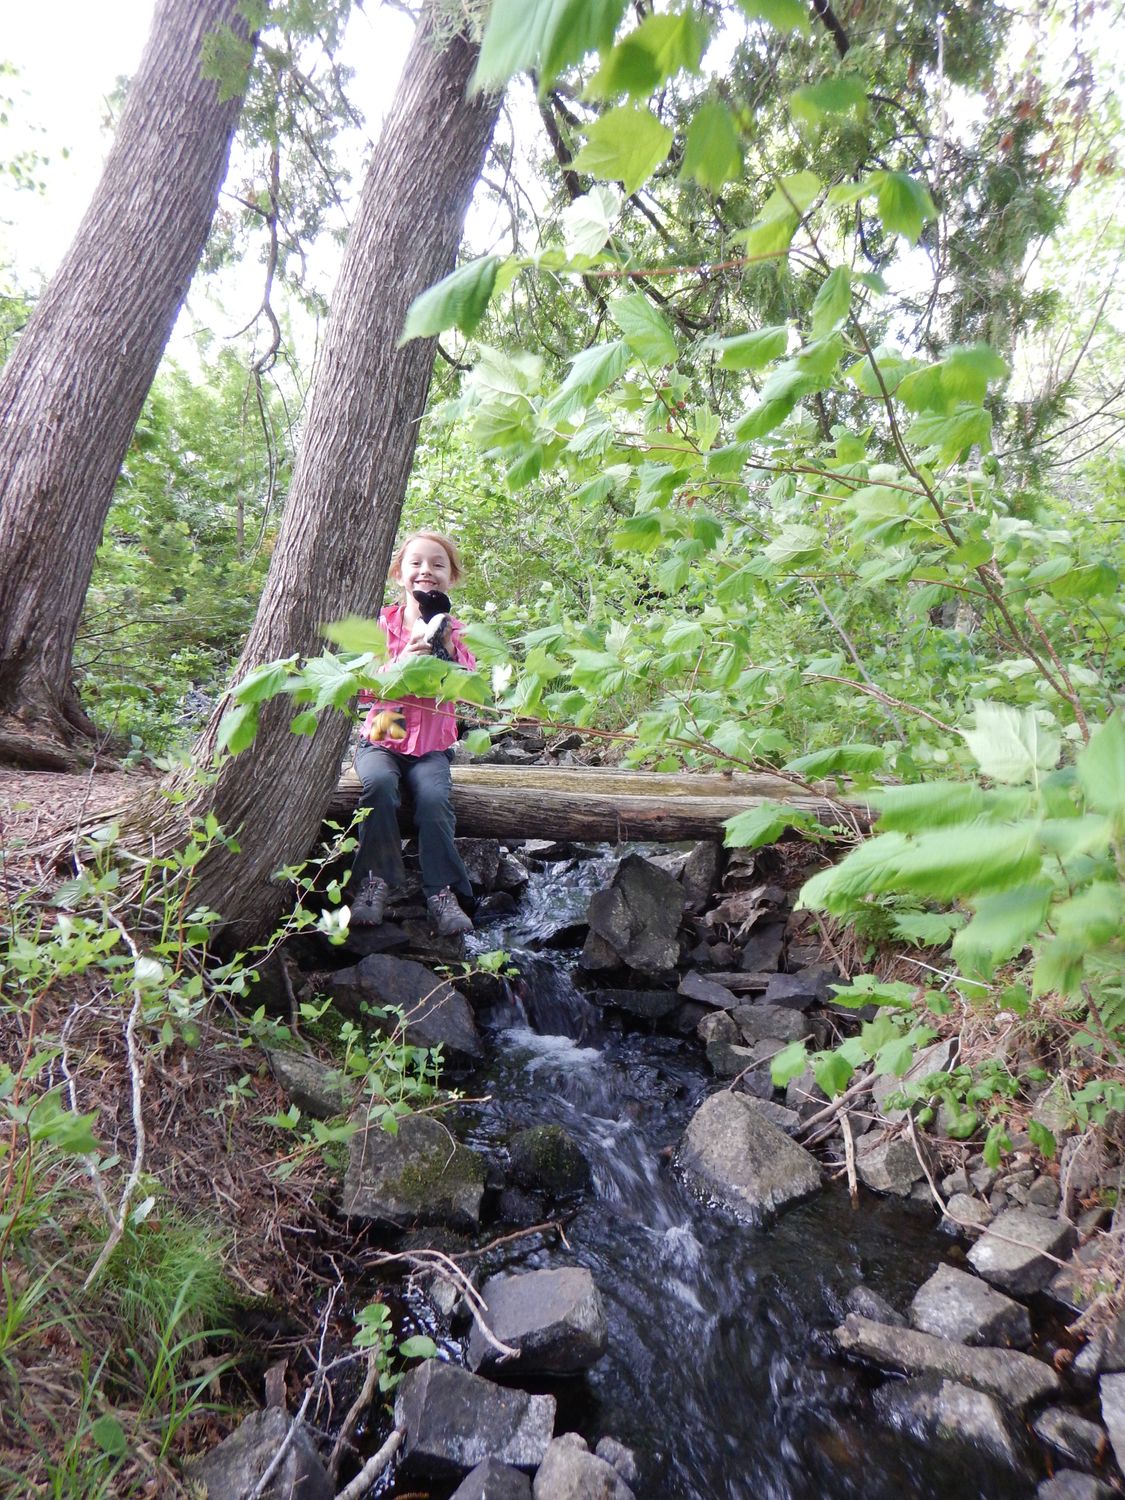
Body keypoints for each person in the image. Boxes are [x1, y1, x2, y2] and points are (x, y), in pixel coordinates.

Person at [349, 530, 476, 937]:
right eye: (416, 563)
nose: (426, 571)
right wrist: (400, 661)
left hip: (431, 745)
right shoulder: (381, 625)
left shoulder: (455, 630)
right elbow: (362, 688)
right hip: (384, 734)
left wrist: (448, 651)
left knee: (434, 798)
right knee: (379, 786)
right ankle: (374, 882)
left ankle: (441, 892)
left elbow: (468, 687)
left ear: (451, 577)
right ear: (398, 573)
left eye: (438, 565)